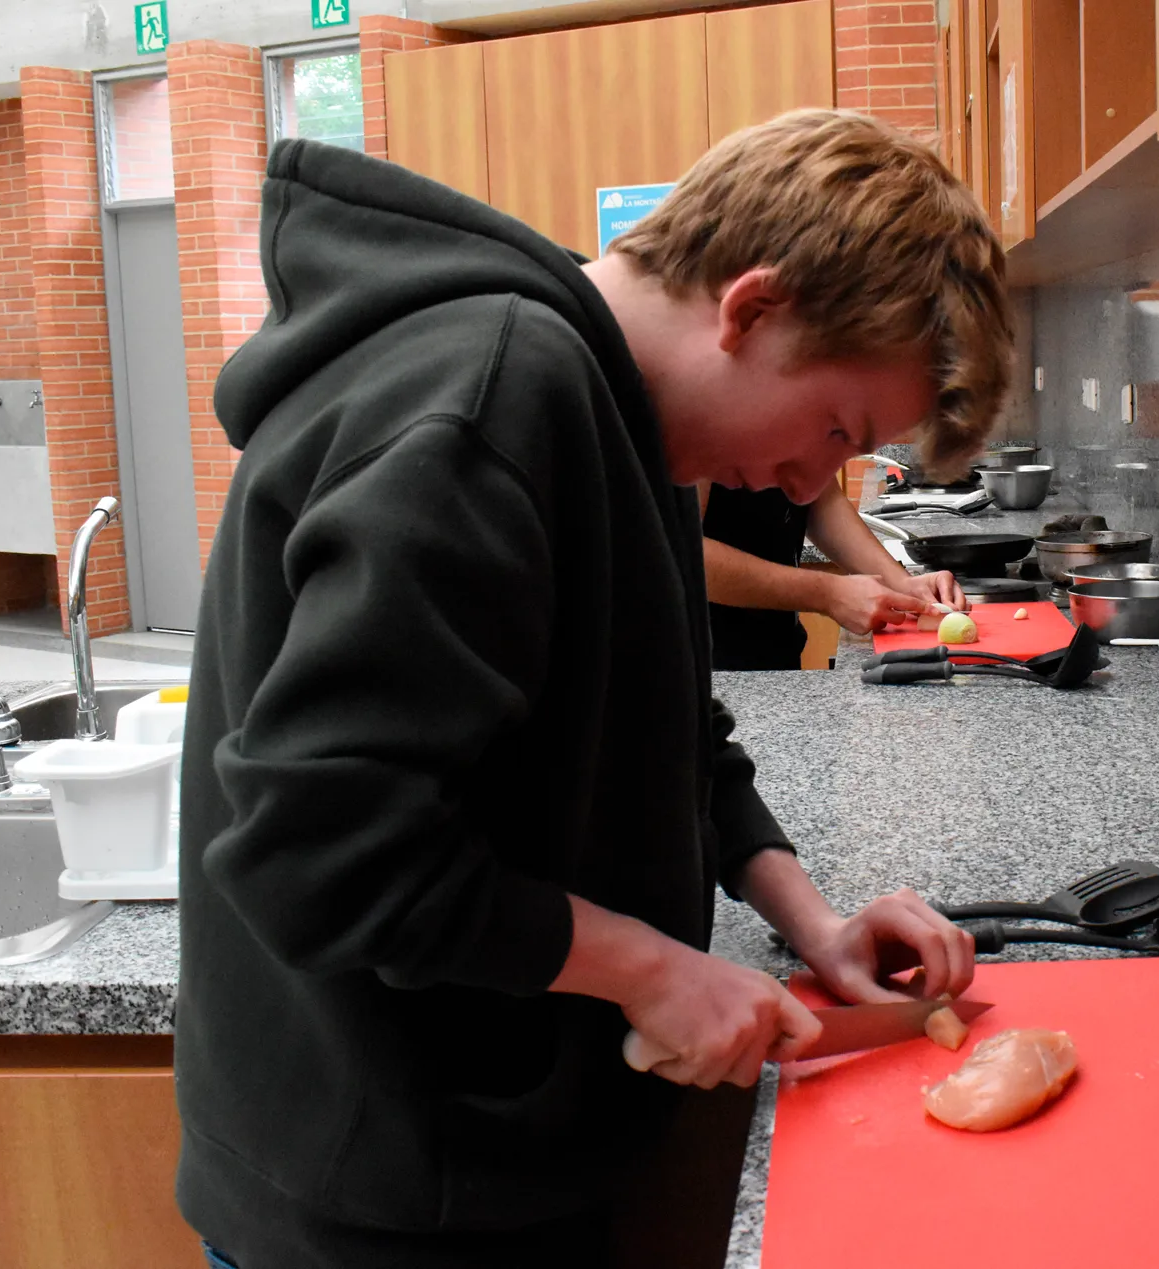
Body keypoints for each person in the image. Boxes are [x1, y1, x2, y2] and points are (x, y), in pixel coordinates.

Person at [174, 109, 1012, 1267]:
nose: (814, 479)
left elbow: (674, 730)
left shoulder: (633, 417)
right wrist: (652, 968)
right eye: (835, 427)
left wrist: (808, 920)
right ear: (751, 307)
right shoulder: (491, 401)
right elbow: (317, 855)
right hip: (388, 1195)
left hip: (491, 1150)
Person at [700, 480, 967, 670]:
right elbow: (685, 553)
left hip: (774, 652)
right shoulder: (694, 411)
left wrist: (901, 584)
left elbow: (818, 495)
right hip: (703, 667)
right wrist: (828, 593)